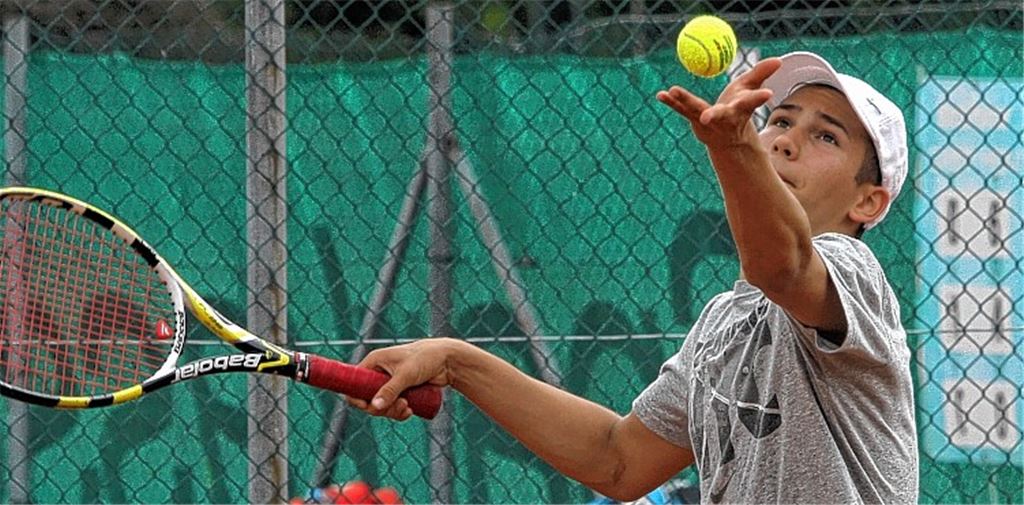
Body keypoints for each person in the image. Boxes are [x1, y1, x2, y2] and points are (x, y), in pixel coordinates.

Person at [346, 51, 919, 504]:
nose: (785, 138)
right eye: (781, 120)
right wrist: (455, 361)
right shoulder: (726, 320)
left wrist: (733, 150)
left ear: (868, 202)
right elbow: (618, 459)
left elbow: (783, 265)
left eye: (826, 136)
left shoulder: (854, 272)